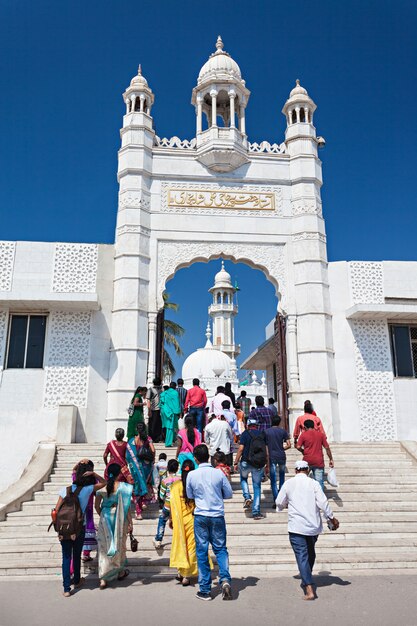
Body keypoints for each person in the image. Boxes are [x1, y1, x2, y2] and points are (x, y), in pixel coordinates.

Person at [276, 460, 339, 600]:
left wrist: (285, 505)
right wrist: (331, 518)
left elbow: (279, 502)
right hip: (313, 527)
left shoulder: (289, 483)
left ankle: (309, 588)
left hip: (296, 527)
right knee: (310, 554)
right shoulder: (314, 483)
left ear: (295, 470)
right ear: (308, 470)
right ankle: (307, 577)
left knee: (302, 556)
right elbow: (323, 502)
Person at [187, 444, 233, 601]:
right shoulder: (219, 474)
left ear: (195, 458)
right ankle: (225, 580)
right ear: (209, 457)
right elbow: (228, 493)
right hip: (217, 515)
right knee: (220, 549)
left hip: (201, 515)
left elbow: (189, 494)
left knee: (201, 551)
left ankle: (205, 589)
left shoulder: (192, 475)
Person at [55, 461, 106, 597]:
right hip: (79, 527)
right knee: (76, 555)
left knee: (66, 557)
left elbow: (56, 510)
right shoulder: (88, 489)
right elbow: (104, 482)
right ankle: (77, 581)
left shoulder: (64, 490)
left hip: (64, 528)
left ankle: (66, 589)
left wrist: (57, 527)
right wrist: (94, 473)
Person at [95, 463, 133, 589]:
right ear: (119, 474)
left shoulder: (102, 487)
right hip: (119, 517)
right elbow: (127, 508)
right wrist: (130, 523)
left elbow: (96, 506)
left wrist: (103, 515)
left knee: (103, 547)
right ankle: (120, 571)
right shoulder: (124, 487)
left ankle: (103, 579)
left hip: (105, 517)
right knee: (119, 545)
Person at [169, 459, 206, 587]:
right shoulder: (195, 485)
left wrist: (171, 519)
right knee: (191, 548)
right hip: (192, 520)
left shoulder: (175, 486)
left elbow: (170, 505)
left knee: (181, 546)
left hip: (179, 521)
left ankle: (182, 573)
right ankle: (185, 575)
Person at [234, 417, 268, 520]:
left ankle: (247, 496)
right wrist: (267, 463)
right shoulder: (262, 434)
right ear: (257, 425)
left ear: (248, 425)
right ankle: (256, 512)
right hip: (258, 464)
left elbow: (240, 449)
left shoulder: (245, 434)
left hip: (245, 462)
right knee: (257, 486)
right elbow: (266, 451)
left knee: (243, 479)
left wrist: (235, 462)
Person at [126, 422, 156, 520]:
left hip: (135, 467)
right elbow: (153, 450)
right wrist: (152, 459)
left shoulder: (132, 441)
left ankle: (139, 513)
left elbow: (127, 456)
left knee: (137, 487)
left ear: (136, 429)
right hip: (146, 466)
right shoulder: (148, 438)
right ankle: (143, 502)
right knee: (145, 484)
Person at [296, 420, 334, 491]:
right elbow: (327, 448)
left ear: (305, 427)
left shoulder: (303, 435)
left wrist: (303, 451)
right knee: (319, 482)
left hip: (307, 460)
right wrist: (331, 459)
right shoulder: (321, 435)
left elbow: (298, 446)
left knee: (303, 480)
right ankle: (320, 499)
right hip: (318, 461)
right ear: (314, 426)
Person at [153, 459, 181, 548]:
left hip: (168, 505)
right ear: (177, 468)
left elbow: (161, 495)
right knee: (178, 523)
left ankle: (158, 540)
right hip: (178, 505)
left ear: (168, 468)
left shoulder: (165, 480)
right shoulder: (180, 480)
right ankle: (180, 541)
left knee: (162, 521)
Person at [265, 415, 291, 507]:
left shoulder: (267, 432)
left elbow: (266, 446)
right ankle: (283, 498)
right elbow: (289, 445)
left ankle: (276, 499)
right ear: (279, 422)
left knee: (273, 479)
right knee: (282, 478)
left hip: (272, 456)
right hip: (281, 456)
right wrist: (282, 449)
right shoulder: (283, 431)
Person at [160, 381, 181, 447]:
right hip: (172, 412)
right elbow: (177, 403)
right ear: (175, 386)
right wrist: (178, 412)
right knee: (171, 427)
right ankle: (168, 443)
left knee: (170, 427)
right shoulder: (175, 393)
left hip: (166, 412)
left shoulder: (164, 393)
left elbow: (161, 403)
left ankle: (173, 439)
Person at [146, 377, 163, 442]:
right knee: (152, 424)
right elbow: (148, 400)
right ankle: (151, 438)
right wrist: (149, 410)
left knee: (159, 424)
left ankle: (157, 438)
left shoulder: (161, 389)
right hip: (153, 409)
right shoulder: (151, 389)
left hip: (160, 410)